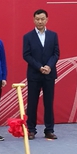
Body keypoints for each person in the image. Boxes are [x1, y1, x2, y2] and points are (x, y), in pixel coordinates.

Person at [22, 9, 60, 140]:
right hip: (34, 74)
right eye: (37, 19)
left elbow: (56, 53)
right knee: (32, 103)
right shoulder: (28, 36)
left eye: (42, 19)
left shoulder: (53, 35)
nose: (40, 21)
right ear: (34, 20)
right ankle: (31, 130)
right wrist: (39, 67)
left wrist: (49, 66)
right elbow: (26, 55)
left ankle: (49, 130)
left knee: (48, 103)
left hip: (49, 74)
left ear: (47, 20)